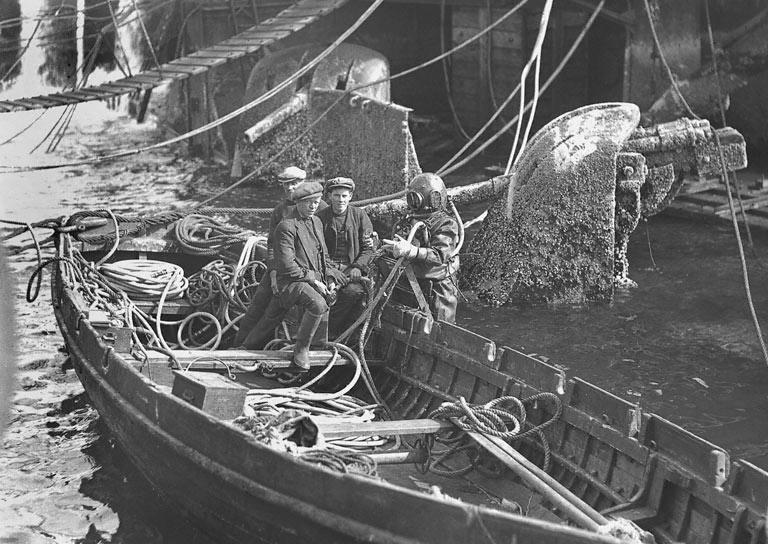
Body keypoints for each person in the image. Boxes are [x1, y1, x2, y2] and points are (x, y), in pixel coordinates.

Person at [239, 181, 347, 371]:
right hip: (290, 282)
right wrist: (314, 280)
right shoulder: (286, 227)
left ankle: (317, 345)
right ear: (298, 203)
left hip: (309, 280)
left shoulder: (316, 222)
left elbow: (324, 257)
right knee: (318, 304)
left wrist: (329, 278)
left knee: (271, 319)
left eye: (317, 202)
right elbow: (288, 267)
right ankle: (301, 348)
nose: (314, 206)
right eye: (309, 203)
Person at [381, 172, 460, 323]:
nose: (413, 203)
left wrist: (413, 251)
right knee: (409, 320)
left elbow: (439, 255)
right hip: (410, 280)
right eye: (412, 198)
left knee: (441, 328)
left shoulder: (446, 224)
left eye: (416, 198)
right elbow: (399, 242)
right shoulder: (409, 220)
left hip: (438, 287)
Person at [317, 177, 374, 337]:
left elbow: (368, 249)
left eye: (344, 196)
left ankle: (335, 333)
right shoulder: (320, 218)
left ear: (350, 196)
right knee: (320, 294)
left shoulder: (360, 216)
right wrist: (329, 272)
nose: (340, 200)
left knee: (354, 292)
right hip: (326, 269)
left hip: (351, 270)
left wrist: (358, 267)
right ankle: (318, 333)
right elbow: (316, 249)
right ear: (329, 197)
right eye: (336, 195)